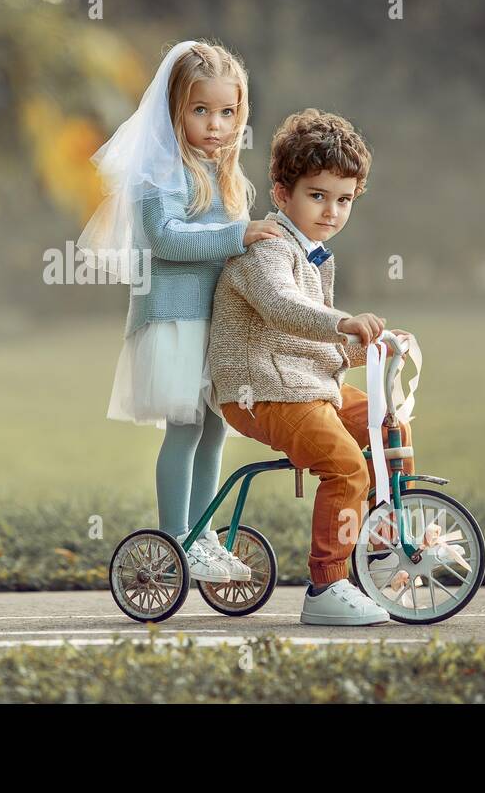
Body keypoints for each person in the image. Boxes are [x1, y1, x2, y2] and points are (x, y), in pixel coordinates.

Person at [78, 40, 283, 583]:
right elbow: (168, 240)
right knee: (185, 429)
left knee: (214, 429)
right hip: (174, 320)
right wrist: (239, 234)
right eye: (200, 110)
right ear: (175, 110)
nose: (215, 125)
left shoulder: (226, 174)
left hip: (215, 324)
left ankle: (203, 535)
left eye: (227, 112)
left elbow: (228, 246)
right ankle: (174, 539)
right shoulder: (157, 175)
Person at [208, 108, 415, 625]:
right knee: (345, 465)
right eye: (317, 196)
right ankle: (326, 587)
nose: (332, 211)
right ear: (282, 194)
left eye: (344, 199)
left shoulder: (315, 254)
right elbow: (282, 308)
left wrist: (371, 346)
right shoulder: (267, 250)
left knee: (389, 426)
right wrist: (346, 323)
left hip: (306, 385)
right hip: (263, 392)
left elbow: (314, 344)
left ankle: (381, 548)